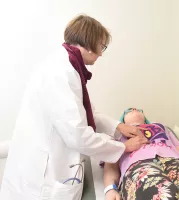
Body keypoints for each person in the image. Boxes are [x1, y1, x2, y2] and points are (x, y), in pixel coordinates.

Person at [0, 15, 148, 200]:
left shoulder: (69, 67)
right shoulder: (59, 73)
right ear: (89, 43)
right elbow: (77, 134)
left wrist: (118, 126)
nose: (101, 53)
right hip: (41, 177)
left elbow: (87, 114)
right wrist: (122, 147)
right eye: (102, 46)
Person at [103, 108, 179, 200]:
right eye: (129, 110)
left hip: (175, 161)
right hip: (139, 165)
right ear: (122, 120)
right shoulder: (116, 134)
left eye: (138, 109)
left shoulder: (161, 127)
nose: (134, 110)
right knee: (162, 193)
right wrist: (110, 188)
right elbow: (111, 162)